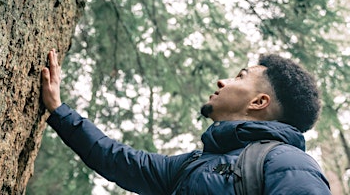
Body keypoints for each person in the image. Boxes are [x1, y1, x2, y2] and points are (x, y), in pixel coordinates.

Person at [41, 49, 331, 194]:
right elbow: (118, 159)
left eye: (240, 76)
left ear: (259, 102)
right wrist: (58, 109)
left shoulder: (287, 162)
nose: (223, 80)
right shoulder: (193, 164)